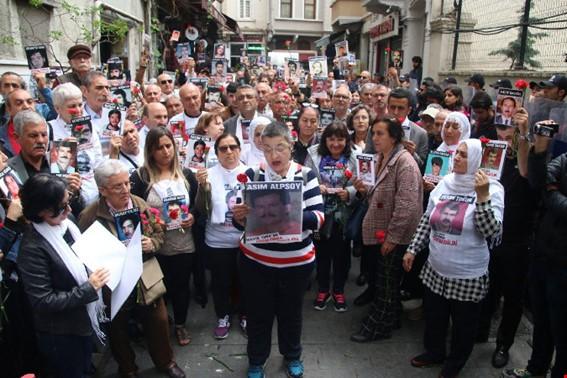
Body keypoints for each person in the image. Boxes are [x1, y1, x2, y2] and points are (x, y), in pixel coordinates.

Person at [403, 139, 504, 377]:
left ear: (478, 160)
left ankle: (455, 363)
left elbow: (491, 231)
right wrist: (413, 249)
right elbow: (428, 220)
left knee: (463, 326)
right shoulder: (446, 182)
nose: (457, 157)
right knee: (435, 318)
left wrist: (482, 198)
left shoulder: (493, 188)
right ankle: (434, 352)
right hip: (436, 269)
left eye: (464, 155)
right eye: (457, 152)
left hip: (467, 275)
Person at [231, 122, 324, 378]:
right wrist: (238, 215)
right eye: (268, 149)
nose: (275, 156)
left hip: (296, 263)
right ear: (261, 149)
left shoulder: (306, 175)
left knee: (291, 314)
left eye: (280, 148)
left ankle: (292, 356)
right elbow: (239, 218)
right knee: (258, 314)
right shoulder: (252, 175)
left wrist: (290, 214)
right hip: (256, 262)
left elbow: (319, 218)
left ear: (291, 147)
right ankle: (256, 360)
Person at [78, 159, 185, 378]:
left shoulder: (139, 204)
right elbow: (82, 252)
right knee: (117, 328)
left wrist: (151, 243)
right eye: (118, 186)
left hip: (145, 274)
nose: (126, 190)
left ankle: (166, 362)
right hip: (113, 281)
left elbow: (158, 233)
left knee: (159, 321)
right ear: (102, 190)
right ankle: (127, 368)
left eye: (127, 183)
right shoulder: (90, 216)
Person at [17, 174, 109, 378]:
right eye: (62, 207)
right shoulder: (32, 248)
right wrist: (89, 288)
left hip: (82, 322)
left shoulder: (66, 224)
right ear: (42, 211)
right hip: (62, 335)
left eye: (68, 202)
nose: (68, 210)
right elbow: (43, 301)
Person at [350, 117, 423, 341]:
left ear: (394, 137)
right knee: (384, 279)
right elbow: (378, 193)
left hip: (394, 236)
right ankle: (391, 318)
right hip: (380, 231)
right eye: (374, 134)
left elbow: (406, 206)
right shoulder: (381, 158)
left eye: (380, 134)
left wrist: (393, 238)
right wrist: (362, 189)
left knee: (387, 282)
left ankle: (379, 326)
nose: (375, 138)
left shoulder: (405, 162)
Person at [130, 127, 198, 347]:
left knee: (180, 286)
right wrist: (151, 222)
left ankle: (180, 324)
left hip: (183, 242)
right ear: (150, 151)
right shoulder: (141, 177)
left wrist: (192, 218)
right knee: (158, 289)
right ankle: (159, 327)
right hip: (156, 244)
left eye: (168, 146)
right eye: (159, 147)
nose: (165, 151)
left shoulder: (186, 174)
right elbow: (134, 209)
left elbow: (196, 206)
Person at [195, 133, 248, 339]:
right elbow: (200, 210)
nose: (228, 152)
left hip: (245, 240)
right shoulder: (207, 174)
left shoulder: (250, 172)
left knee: (245, 281)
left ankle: (245, 315)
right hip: (217, 241)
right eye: (223, 148)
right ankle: (223, 316)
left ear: (239, 149)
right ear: (216, 153)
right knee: (220, 283)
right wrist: (202, 189)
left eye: (232, 147)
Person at [304, 122, 357, 312]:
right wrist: (316, 188)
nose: (335, 143)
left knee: (342, 253)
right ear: (325, 139)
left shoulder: (355, 157)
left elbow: (361, 183)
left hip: (343, 215)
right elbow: (305, 178)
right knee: (322, 252)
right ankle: (323, 289)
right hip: (320, 213)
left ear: (346, 140)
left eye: (340, 139)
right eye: (331, 139)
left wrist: (349, 192)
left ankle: (339, 290)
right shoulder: (313, 154)